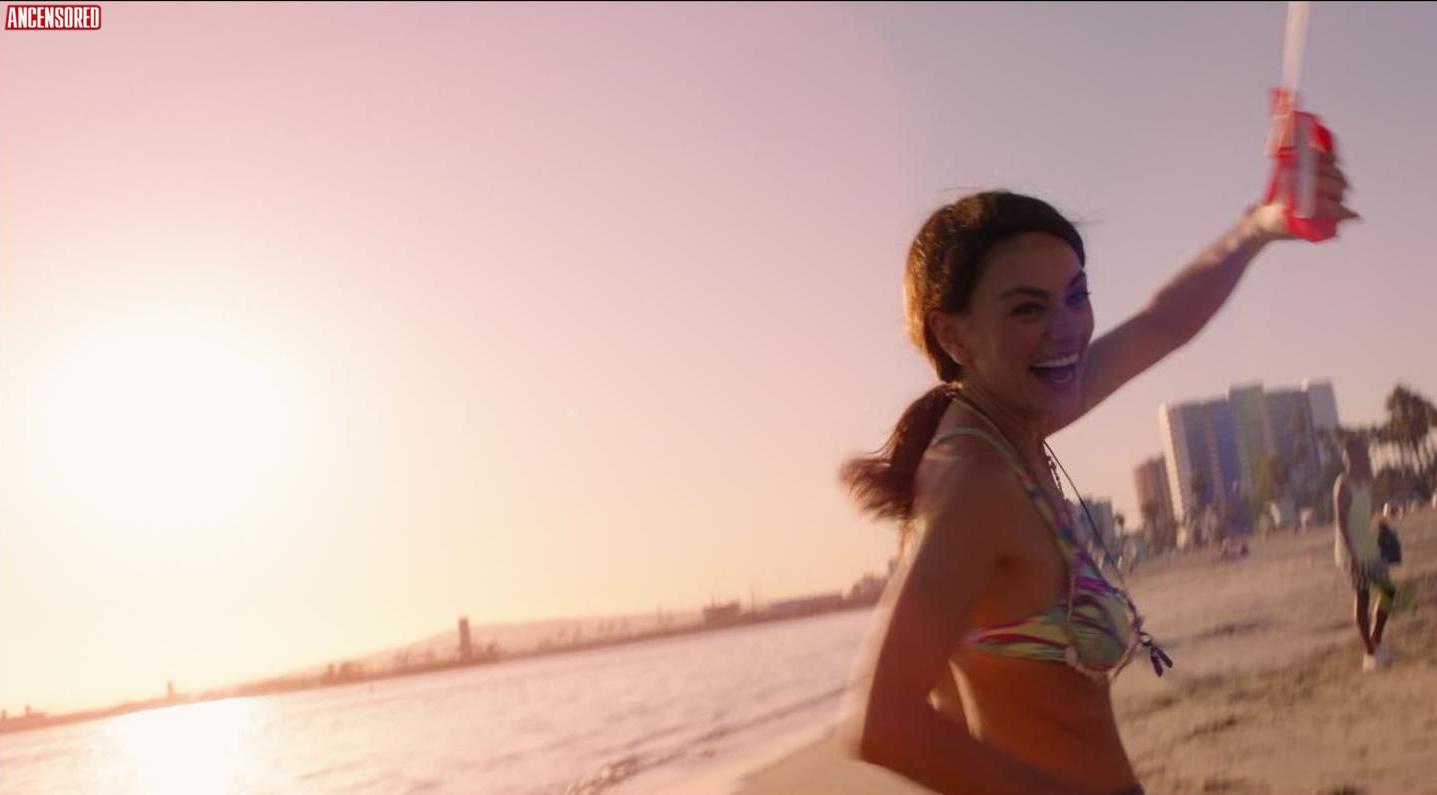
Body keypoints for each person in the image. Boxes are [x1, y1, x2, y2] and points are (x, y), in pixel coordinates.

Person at [838, 158, 1355, 793]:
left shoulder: (1015, 421)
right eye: (1027, 310)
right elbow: (879, 722)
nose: (1068, 330)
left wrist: (1261, 224)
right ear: (953, 335)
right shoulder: (976, 479)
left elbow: (1163, 323)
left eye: (1076, 296)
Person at [1333, 434, 1397, 672]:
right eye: (1357, 453)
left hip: (1368, 545)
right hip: (1352, 549)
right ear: (1349, 457)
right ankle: (1370, 653)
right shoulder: (1343, 484)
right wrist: (1352, 556)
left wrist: (1382, 525)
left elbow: (1367, 513)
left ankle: (1375, 641)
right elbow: (1341, 523)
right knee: (1363, 597)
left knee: (1387, 590)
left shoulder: (1365, 481)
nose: (1362, 457)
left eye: (1363, 453)